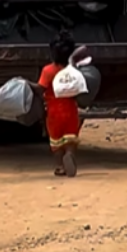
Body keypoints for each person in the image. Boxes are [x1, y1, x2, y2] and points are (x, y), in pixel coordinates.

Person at [37, 31, 81, 177]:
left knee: (56, 141)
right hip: (71, 110)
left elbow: (40, 88)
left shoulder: (48, 71)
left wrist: (26, 84)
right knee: (70, 138)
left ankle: (59, 166)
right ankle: (69, 154)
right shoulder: (73, 70)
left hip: (54, 112)